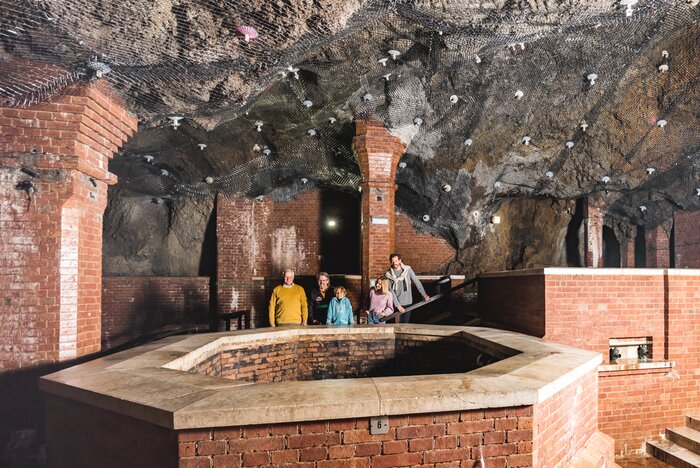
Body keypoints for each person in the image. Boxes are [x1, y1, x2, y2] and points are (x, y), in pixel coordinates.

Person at [385, 253, 429, 323]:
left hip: (408, 302)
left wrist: (424, 295)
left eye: (396, 261)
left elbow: (416, 282)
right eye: (392, 261)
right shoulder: (388, 274)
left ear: (400, 261)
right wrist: (398, 306)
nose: (394, 263)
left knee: (405, 323)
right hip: (396, 304)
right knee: (397, 325)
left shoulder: (408, 270)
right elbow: (391, 291)